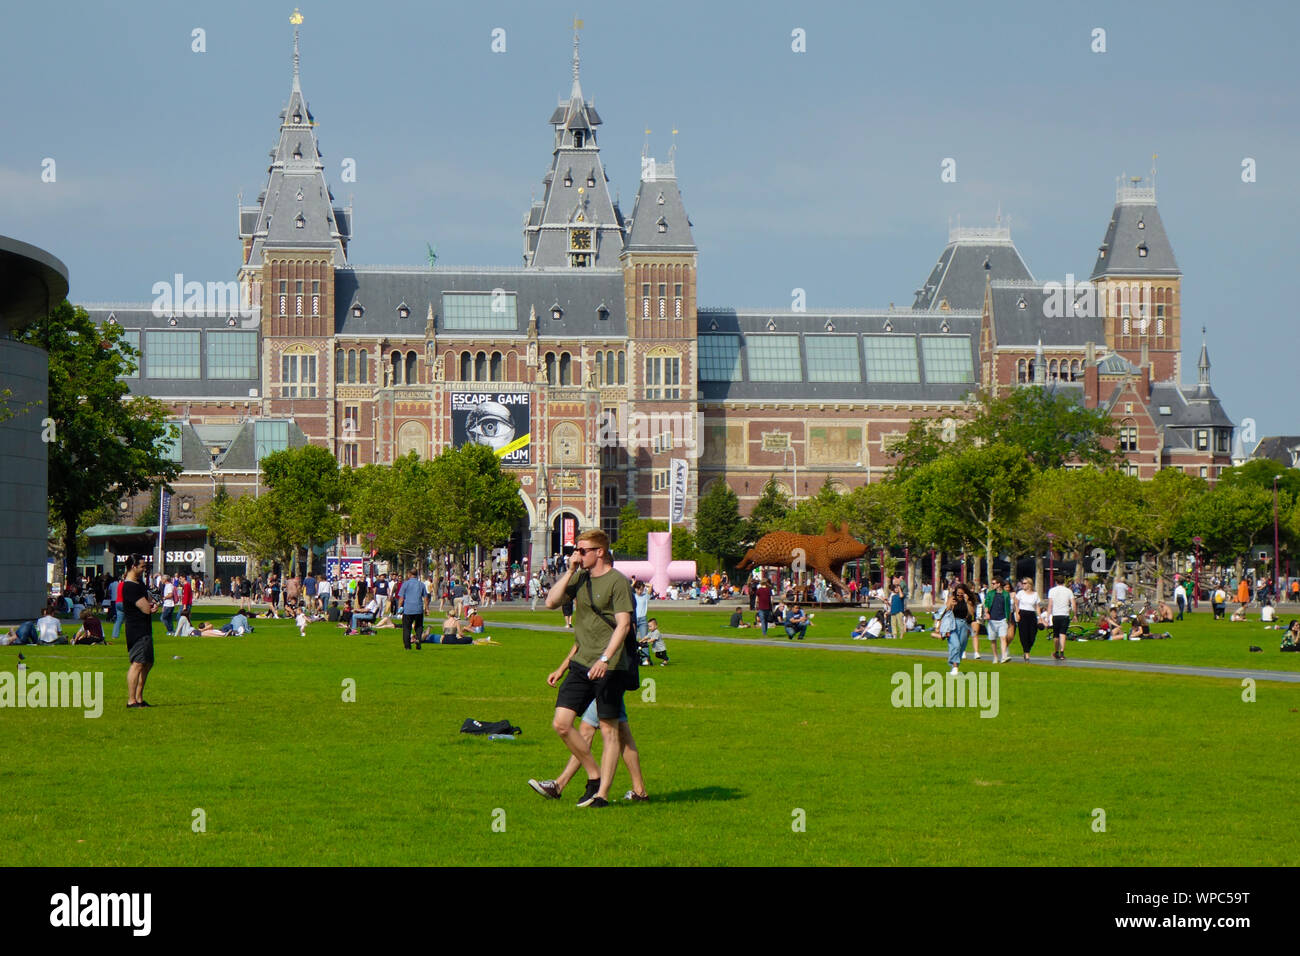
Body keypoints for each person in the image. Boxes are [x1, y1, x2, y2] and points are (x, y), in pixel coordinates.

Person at [539, 528, 636, 808]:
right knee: (561, 724)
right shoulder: (579, 577)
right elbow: (550, 602)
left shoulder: (617, 582)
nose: (577, 555)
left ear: (599, 552)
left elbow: (624, 625)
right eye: (576, 551)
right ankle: (594, 775)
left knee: (609, 730)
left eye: (582, 551)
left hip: (610, 667)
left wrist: (605, 659)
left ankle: (602, 794)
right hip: (581, 664)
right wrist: (569, 571)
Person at [529, 696, 649, 803]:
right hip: (610, 678)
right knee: (621, 731)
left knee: (588, 729)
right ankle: (640, 791)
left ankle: (560, 785)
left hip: (608, 679)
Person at [120, 554, 158, 708]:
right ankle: (131, 700)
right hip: (137, 630)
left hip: (145, 628)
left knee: (148, 663)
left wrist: (152, 605)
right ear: (133, 567)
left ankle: (139, 697)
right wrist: (151, 607)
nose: (144, 569)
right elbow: (145, 607)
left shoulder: (139, 583)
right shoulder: (130, 586)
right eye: (141, 566)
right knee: (138, 663)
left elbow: (149, 601)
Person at [946, 582, 977, 676]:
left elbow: (972, 613)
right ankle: (955, 666)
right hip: (952, 624)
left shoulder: (969, 601)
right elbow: (946, 610)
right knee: (955, 645)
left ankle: (955, 666)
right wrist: (951, 604)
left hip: (964, 624)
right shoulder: (952, 598)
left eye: (961, 593)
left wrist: (967, 601)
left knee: (961, 647)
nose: (959, 595)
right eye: (958, 593)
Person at [397, 567, 428, 650]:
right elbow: (425, 597)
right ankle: (418, 638)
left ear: (409, 574)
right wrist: (427, 608)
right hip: (418, 608)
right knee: (419, 626)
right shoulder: (421, 584)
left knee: (407, 628)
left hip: (408, 609)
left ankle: (407, 646)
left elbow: (401, 597)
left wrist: (399, 607)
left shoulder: (405, 584)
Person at [1046, 576, 1077, 662]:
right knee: (1063, 633)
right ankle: (1062, 652)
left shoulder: (1052, 591)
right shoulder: (1068, 591)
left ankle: (1056, 651)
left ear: (1056, 582)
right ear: (1064, 582)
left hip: (1056, 614)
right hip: (1065, 614)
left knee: (1056, 634)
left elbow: (1050, 604)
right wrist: (1074, 615)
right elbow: (1073, 604)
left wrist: (1048, 616)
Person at [983, 577, 1011, 663]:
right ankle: (995, 656)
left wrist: (1008, 619)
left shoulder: (1006, 594)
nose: (992, 585)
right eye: (992, 583)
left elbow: (1008, 607)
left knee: (1003, 637)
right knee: (993, 639)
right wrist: (987, 613)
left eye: (994, 583)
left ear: (999, 584)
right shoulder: (990, 593)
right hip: (992, 620)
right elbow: (986, 604)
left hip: (1002, 619)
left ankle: (1003, 656)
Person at [1013, 577, 1040, 662]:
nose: (1023, 585)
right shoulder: (1020, 593)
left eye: (1025, 583)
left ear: (1030, 584)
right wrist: (1017, 613)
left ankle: (1028, 649)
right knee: (1023, 634)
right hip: (1023, 614)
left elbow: (1037, 607)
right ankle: (1026, 652)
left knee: (1032, 635)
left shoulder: (1035, 594)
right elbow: (1016, 604)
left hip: (1032, 615)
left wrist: (1040, 618)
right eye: (1022, 583)